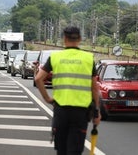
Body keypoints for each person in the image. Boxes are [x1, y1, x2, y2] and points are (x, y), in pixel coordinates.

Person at [35, 26, 101, 155]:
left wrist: (48, 99)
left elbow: (38, 79)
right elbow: (94, 87)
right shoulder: (88, 58)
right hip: (80, 113)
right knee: (74, 151)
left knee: (62, 150)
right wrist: (97, 112)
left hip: (61, 111)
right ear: (80, 39)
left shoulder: (55, 57)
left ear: (64, 39)